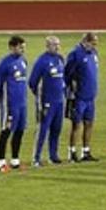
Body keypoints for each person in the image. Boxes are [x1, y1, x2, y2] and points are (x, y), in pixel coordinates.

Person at [29, 36, 66, 166]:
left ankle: (53, 155)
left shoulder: (60, 59)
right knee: (42, 130)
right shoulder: (41, 61)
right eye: (54, 45)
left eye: (58, 44)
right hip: (46, 102)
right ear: (48, 46)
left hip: (59, 101)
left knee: (57, 129)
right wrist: (41, 97)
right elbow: (32, 82)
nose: (57, 47)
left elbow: (63, 78)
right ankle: (36, 158)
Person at [0, 35, 29, 171]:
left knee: (20, 130)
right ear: (12, 47)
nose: (23, 50)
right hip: (10, 104)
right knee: (6, 130)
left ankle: (15, 160)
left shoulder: (23, 61)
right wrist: (2, 100)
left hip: (22, 104)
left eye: (24, 47)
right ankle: (1, 162)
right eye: (20, 48)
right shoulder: (4, 64)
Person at [64, 32, 100, 162]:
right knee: (76, 124)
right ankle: (72, 152)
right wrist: (71, 90)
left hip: (90, 96)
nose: (94, 46)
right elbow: (67, 74)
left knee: (89, 123)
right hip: (78, 97)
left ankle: (86, 151)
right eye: (93, 43)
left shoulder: (94, 53)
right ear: (85, 41)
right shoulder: (75, 54)